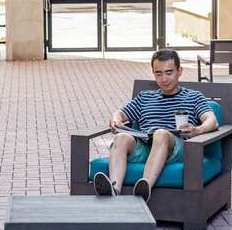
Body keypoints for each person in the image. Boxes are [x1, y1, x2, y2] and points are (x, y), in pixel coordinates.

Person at [93, 49, 218, 202]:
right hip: (145, 146)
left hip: (174, 148)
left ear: (180, 71)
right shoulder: (145, 97)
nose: (164, 79)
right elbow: (120, 113)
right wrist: (115, 119)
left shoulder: (193, 97)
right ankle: (114, 190)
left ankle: (144, 190)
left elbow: (212, 121)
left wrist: (197, 130)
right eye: (158, 73)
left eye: (169, 72)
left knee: (161, 133)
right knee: (121, 137)